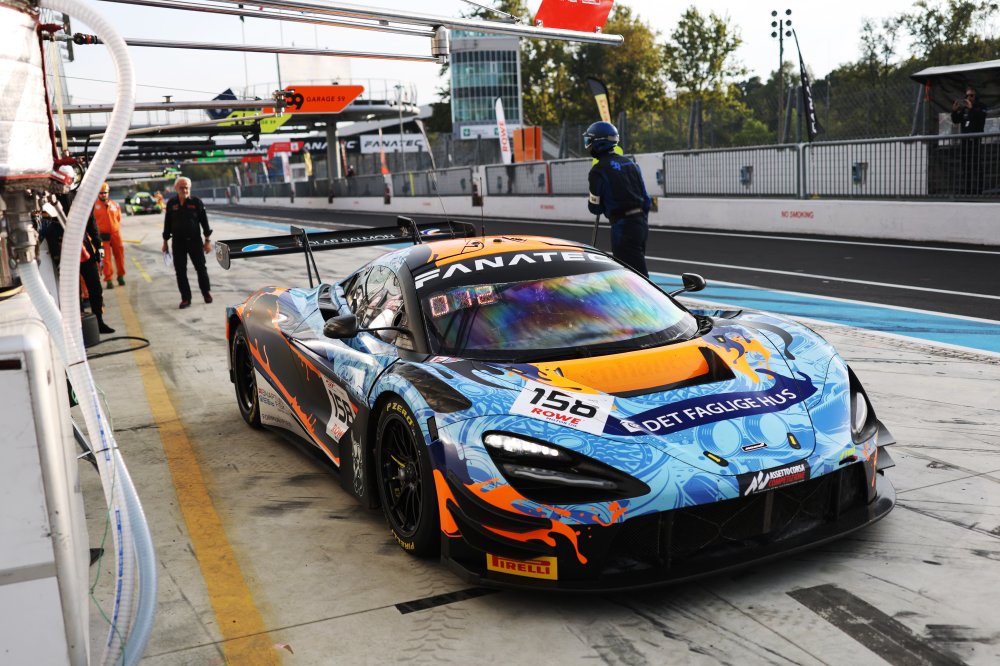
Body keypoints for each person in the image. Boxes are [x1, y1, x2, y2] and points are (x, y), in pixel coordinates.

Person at [585, 121, 652, 276]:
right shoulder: (631, 164)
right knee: (636, 266)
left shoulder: (598, 170)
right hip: (641, 223)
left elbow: (594, 208)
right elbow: (646, 199)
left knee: (633, 275)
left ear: (598, 142)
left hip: (622, 226)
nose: (588, 145)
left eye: (589, 140)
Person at [161, 176, 213, 308]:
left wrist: (207, 241)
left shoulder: (196, 202)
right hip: (178, 243)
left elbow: (205, 223)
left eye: (187, 188)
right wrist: (165, 242)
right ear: (176, 188)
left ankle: (206, 292)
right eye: (182, 187)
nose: (184, 190)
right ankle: (186, 298)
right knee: (180, 271)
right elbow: (167, 224)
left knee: (201, 268)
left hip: (195, 242)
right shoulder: (171, 204)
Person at [951, 86, 988, 195]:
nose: (969, 97)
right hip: (965, 142)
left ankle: (979, 190)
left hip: (975, 141)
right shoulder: (964, 109)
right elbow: (956, 120)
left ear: (976, 96)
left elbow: (981, 117)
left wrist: (971, 109)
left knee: (977, 166)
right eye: (967, 95)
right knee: (966, 166)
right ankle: (967, 189)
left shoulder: (981, 106)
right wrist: (954, 111)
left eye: (971, 95)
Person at [93, 182, 126, 289]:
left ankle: (121, 276)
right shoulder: (94, 207)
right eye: (101, 193)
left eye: (105, 193)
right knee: (106, 259)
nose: (103, 195)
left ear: (108, 193)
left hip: (115, 234)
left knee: (120, 255)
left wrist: (114, 229)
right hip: (102, 236)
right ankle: (109, 279)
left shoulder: (115, 205)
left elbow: (118, 218)